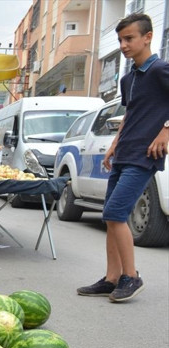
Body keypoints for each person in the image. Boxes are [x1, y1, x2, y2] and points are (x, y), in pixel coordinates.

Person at [77, 13, 169, 303]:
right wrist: (114, 144)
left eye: (129, 38)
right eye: (120, 40)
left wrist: (166, 131)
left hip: (145, 155)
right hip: (124, 152)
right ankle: (112, 278)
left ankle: (132, 276)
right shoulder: (128, 78)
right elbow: (130, 113)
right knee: (110, 216)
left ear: (148, 37)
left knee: (116, 213)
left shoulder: (160, 70)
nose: (124, 45)